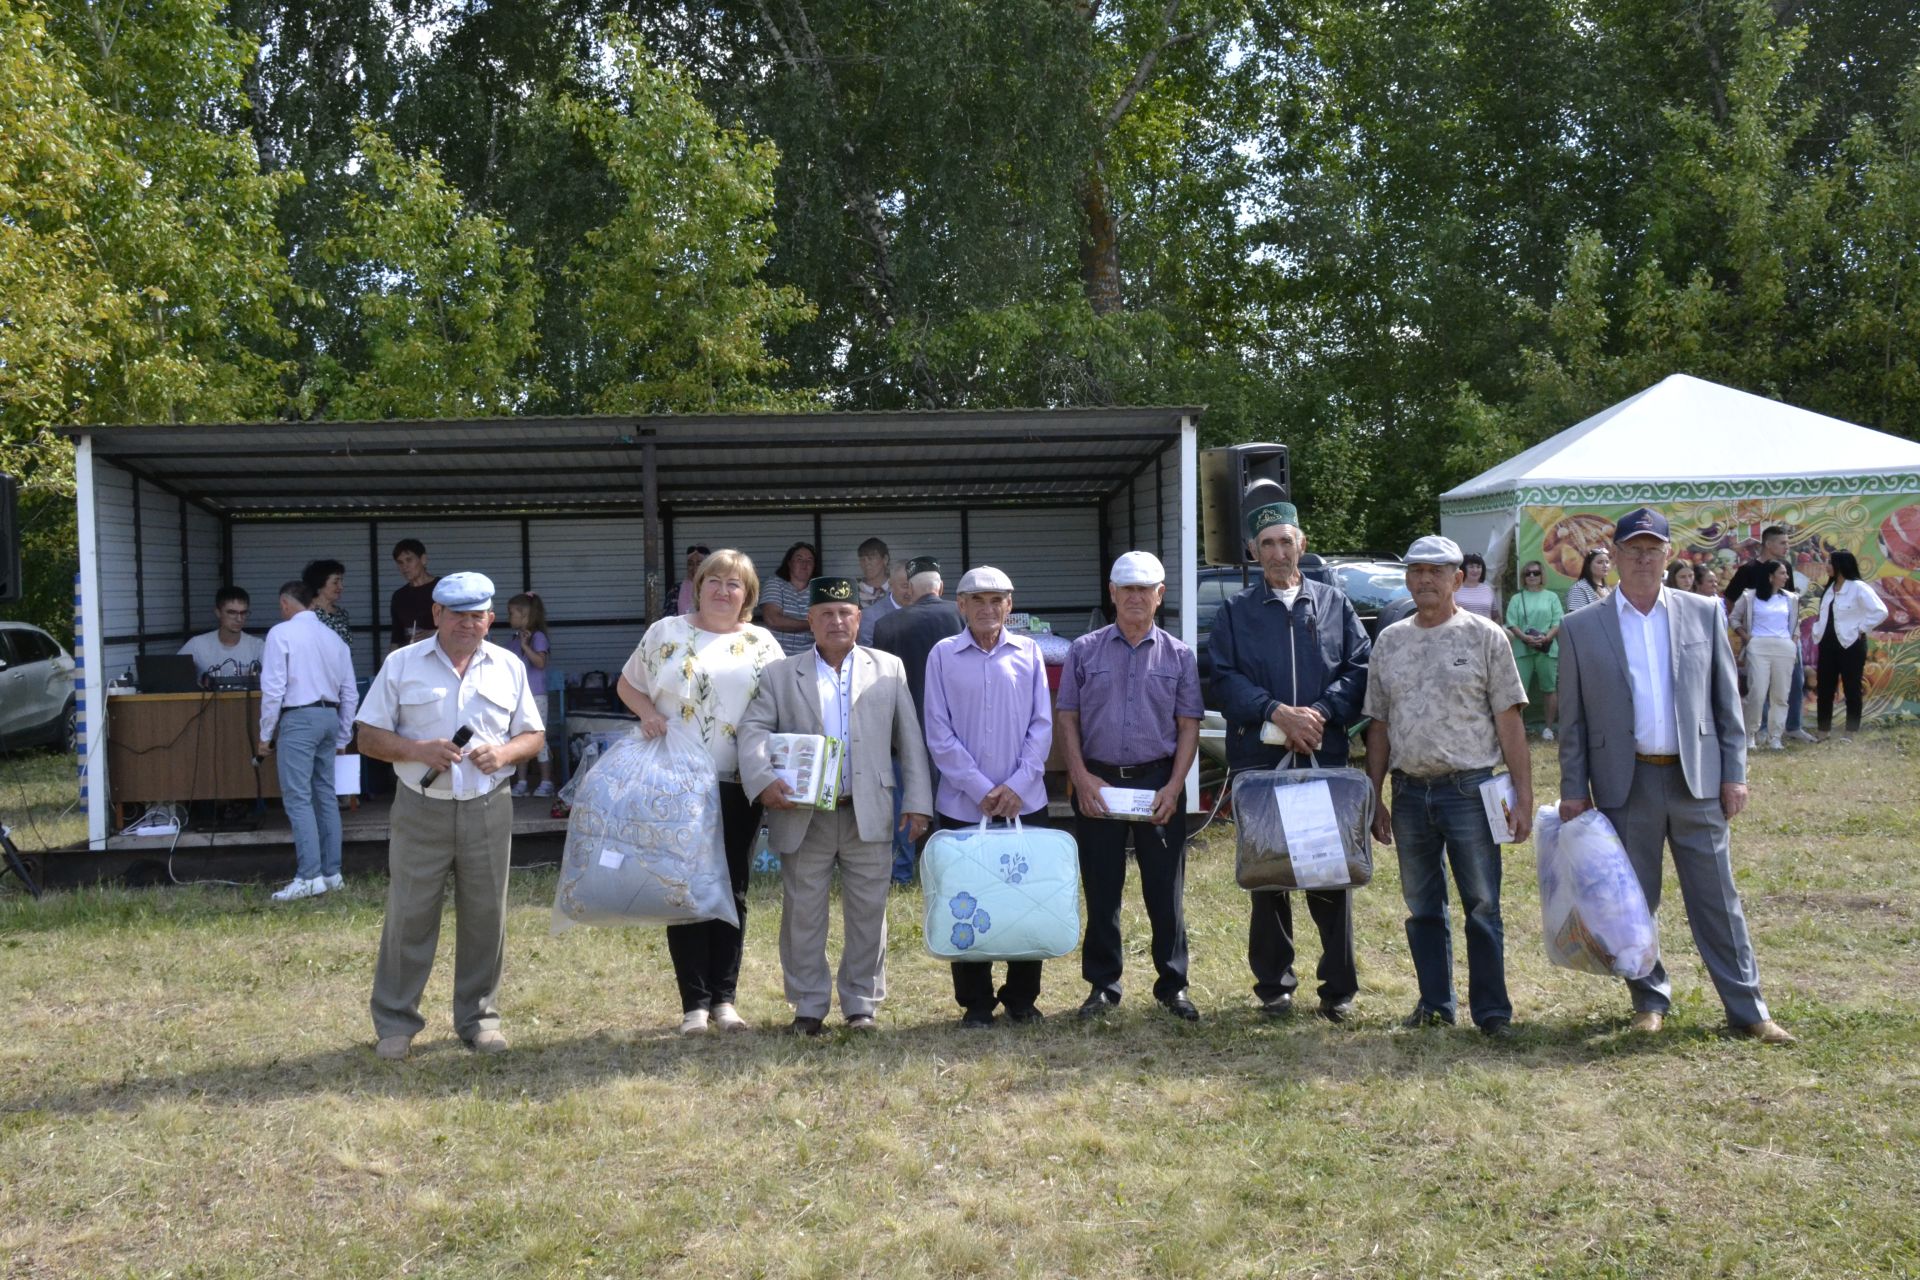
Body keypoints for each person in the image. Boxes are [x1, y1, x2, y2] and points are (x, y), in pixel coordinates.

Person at [1557, 508, 1793, 1044]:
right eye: (1632, 550)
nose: (1642, 559)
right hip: (1625, 784)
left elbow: (1725, 703)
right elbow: (1570, 721)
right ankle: (1649, 999)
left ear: (1669, 556)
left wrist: (1735, 774)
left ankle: (1749, 1009)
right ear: (1612, 556)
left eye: (1652, 550)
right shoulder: (1579, 627)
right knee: (1634, 903)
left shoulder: (1703, 611)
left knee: (1718, 900)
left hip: (1698, 781)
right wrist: (1574, 790)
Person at [356, 572, 547, 1059]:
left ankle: (480, 1019)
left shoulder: (509, 666)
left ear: (490, 619)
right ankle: (396, 1024)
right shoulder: (402, 664)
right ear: (436, 615)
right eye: (456, 614)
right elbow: (368, 737)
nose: (467, 623)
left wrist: (504, 755)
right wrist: (418, 749)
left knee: (487, 916)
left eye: (477, 615)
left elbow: (533, 735)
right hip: (422, 809)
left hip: (488, 807)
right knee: (410, 915)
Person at [737, 576, 933, 1034]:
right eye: (826, 613)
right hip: (804, 814)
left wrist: (919, 802)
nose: (837, 621)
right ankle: (808, 1006)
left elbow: (910, 739)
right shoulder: (781, 675)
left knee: (869, 912)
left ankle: (861, 1004)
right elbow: (752, 731)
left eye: (845, 613)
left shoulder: (889, 669)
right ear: (810, 621)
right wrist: (763, 779)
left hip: (869, 809)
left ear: (858, 619)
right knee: (804, 913)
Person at [1365, 536, 1533, 1038]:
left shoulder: (1485, 637)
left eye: (1436, 571)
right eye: (1416, 571)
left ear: (1459, 579)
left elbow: (1510, 723)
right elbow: (1378, 724)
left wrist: (1523, 797)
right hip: (1410, 792)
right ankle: (1435, 1004)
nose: (1424, 580)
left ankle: (1492, 1013)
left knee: (1482, 905)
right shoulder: (1390, 640)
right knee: (1421, 906)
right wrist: (1374, 797)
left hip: (1471, 790)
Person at [1209, 500, 1370, 1021]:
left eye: (1286, 541)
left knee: (1330, 871)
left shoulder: (1334, 604)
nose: (1278, 552)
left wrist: (1319, 714)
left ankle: (1338, 988)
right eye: (1267, 544)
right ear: (1253, 552)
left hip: (1323, 757)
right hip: (1261, 762)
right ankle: (1274, 985)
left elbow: (1360, 667)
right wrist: (1278, 712)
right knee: (1269, 871)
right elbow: (1222, 678)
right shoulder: (1236, 612)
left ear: (1302, 544)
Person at [616, 549, 785, 1035]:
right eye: (714, 580)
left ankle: (725, 1000)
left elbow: (780, 706)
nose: (723, 590)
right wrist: (648, 714)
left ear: (748, 595)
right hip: (676, 783)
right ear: (698, 584)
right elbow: (627, 685)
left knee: (731, 888)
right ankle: (694, 1004)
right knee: (684, 889)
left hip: (739, 783)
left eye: (734, 584)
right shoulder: (665, 633)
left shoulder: (762, 643)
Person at [1056, 551, 1204, 1022]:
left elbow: (1188, 726)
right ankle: (1103, 985)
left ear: (1160, 596)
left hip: (1157, 783)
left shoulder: (1180, 655)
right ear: (1112, 593)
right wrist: (1080, 778)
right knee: (1101, 888)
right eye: (1128, 588)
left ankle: (1173, 985)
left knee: (1166, 889)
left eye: (1146, 589)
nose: (1136, 597)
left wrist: (1175, 786)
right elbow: (1068, 718)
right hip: (1098, 783)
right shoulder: (1084, 650)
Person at [922, 565, 1054, 1028]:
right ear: (959, 606)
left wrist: (1017, 786)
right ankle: (976, 1002)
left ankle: (1022, 997)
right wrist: (980, 789)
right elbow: (938, 733)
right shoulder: (942, 655)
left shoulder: (1030, 652)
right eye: (976, 600)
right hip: (963, 805)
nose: (986, 608)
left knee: (1025, 900)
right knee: (967, 899)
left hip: (1025, 803)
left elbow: (1042, 725)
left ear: (1009, 606)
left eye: (996, 599)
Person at [257, 580, 359, 902]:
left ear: (286, 604)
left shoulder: (280, 633)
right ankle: (332, 873)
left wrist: (265, 736)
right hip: (329, 717)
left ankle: (308, 876)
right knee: (325, 796)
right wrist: (344, 734)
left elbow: (273, 688)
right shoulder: (335, 638)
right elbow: (350, 692)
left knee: (298, 798)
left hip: (299, 718)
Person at [873, 556, 965, 885]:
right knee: (954, 800)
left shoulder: (887, 626)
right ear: (940, 587)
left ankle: (900, 872)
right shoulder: (962, 615)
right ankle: (952, 870)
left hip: (904, 728)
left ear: (909, 589)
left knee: (904, 801)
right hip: (957, 730)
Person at [1723, 525, 1817, 743]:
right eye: (1783, 542)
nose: (1787, 546)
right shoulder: (1748, 570)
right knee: (1759, 686)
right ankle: (1761, 729)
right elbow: (1729, 601)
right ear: (1768, 543)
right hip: (1759, 640)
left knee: (1795, 681)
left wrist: (1793, 636)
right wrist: (1745, 633)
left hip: (1786, 638)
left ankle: (1793, 726)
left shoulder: (1786, 567)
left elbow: (1790, 599)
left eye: (1787, 542)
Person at [1811, 551, 1887, 741]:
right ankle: (1823, 731)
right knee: (1825, 689)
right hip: (1827, 645)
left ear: (1841, 565)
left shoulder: (1858, 587)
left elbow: (1880, 611)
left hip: (1851, 645)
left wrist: (1860, 628)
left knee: (1852, 689)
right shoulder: (1830, 588)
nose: (1826, 566)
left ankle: (1850, 732)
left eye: (1830, 563)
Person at [1730, 561, 1799, 751]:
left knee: (1781, 695)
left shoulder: (1790, 598)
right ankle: (1750, 734)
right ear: (1770, 576)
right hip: (1758, 647)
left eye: (1786, 573)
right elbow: (1734, 618)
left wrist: (1792, 642)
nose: (1786, 577)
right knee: (1757, 692)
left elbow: (1795, 624)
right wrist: (1748, 638)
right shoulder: (1749, 596)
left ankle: (1775, 736)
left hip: (1784, 648)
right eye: (1782, 573)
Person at [501, 592, 554, 797]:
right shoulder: (514, 639)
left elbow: (540, 663)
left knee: (538, 738)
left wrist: (525, 646)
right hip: (517, 696)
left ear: (525, 615)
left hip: (536, 695)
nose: (509, 617)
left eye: (512, 613)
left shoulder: (537, 637)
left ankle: (547, 782)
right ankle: (521, 782)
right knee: (519, 737)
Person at [1505, 560, 1563, 741]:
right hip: (1522, 648)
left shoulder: (1551, 597)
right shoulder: (1516, 598)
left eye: (1535, 573)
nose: (1531, 576)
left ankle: (1548, 728)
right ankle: (1518, 728)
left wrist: (1547, 637)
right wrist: (1524, 638)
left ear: (1541, 576)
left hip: (1547, 647)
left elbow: (1558, 621)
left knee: (1549, 688)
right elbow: (1511, 623)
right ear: (1523, 577)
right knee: (1520, 690)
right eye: (1528, 573)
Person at [179, 586, 265, 677]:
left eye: (243, 613)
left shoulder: (258, 647)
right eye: (232, 613)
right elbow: (173, 673)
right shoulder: (197, 645)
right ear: (218, 613)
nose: (239, 619)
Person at [761, 541, 818, 656]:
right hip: (778, 655)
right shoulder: (774, 583)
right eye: (799, 559)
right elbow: (773, 620)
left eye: (809, 560)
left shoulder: (819, 589)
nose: (805, 564)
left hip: (811, 656)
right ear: (789, 563)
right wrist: (812, 624)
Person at [389, 539, 438, 652]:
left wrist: (433, 633)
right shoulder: (399, 596)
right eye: (400, 562)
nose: (404, 567)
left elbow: (459, 625)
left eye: (409, 560)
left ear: (423, 559)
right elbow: (396, 637)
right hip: (411, 657)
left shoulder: (443, 589)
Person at [854, 537, 900, 644]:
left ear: (885, 559)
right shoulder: (852, 590)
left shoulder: (898, 587)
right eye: (862, 559)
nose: (866, 563)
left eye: (871, 558)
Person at [304, 558, 353, 652]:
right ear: (319, 584)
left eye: (341, 581)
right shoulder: (307, 613)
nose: (341, 587)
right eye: (335, 582)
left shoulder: (342, 614)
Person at [1564, 548, 1612, 612]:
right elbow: (1576, 618)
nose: (1605, 565)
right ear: (1589, 565)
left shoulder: (1608, 588)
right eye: (1599, 562)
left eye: (1607, 562)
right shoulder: (1579, 588)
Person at [1453, 552, 1498, 620]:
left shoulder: (1488, 590)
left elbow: (1496, 616)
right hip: (1461, 630)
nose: (1475, 570)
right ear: (1463, 569)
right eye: (1471, 567)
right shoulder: (1455, 589)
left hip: (1485, 630)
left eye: (1478, 567)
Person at [675, 544, 710, 615]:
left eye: (699, 564)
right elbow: (669, 619)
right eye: (690, 564)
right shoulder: (676, 590)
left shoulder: (715, 588)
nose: (694, 568)